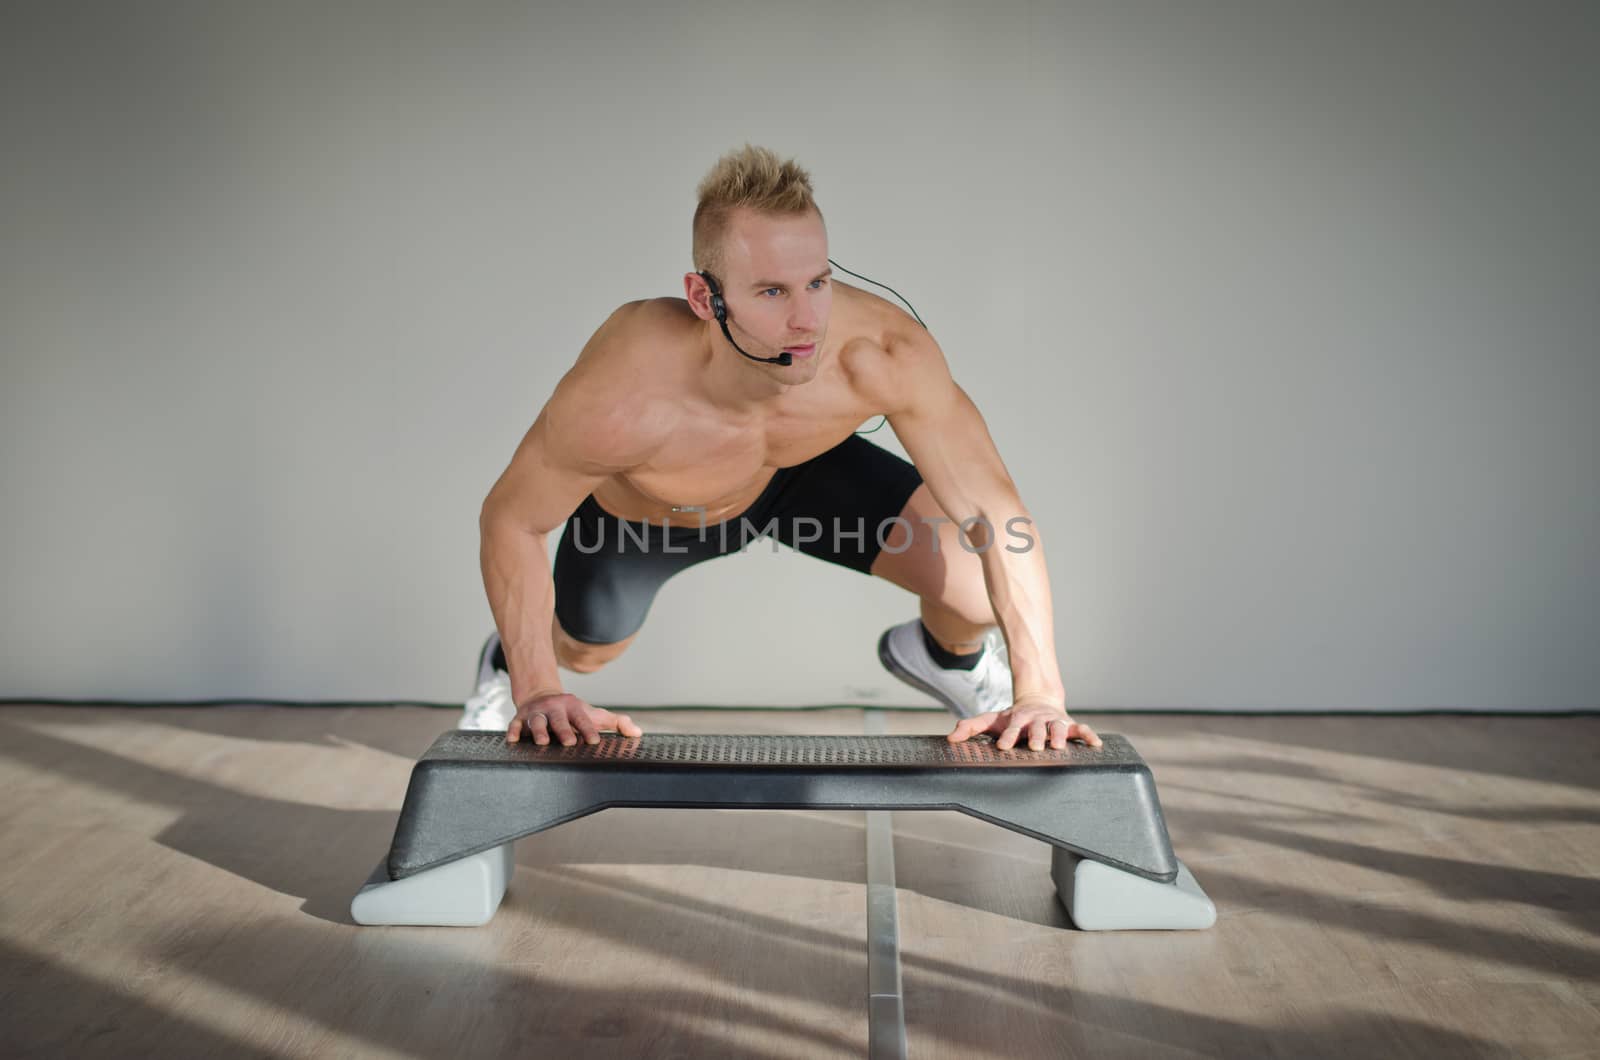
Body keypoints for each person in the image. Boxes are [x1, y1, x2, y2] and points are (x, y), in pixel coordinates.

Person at [466, 144, 1100, 755]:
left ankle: (948, 660)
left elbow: (996, 513)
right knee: (581, 652)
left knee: (976, 591)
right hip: (655, 515)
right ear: (703, 298)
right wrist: (539, 687)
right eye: (772, 292)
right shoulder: (623, 397)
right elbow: (513, 518)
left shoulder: (879, 354)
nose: (808, 320)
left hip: (805, 473)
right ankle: (506, 663)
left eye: (817, 283)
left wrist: (1041, 691)